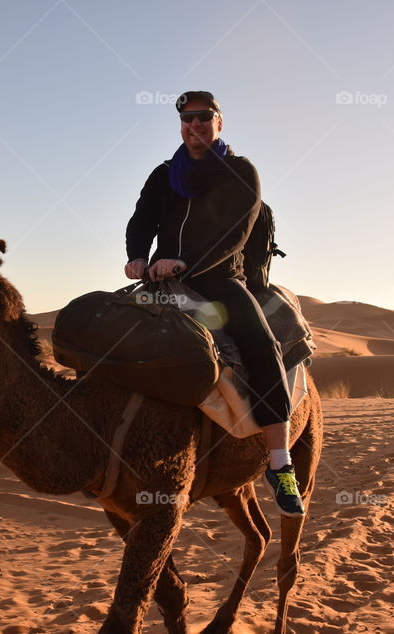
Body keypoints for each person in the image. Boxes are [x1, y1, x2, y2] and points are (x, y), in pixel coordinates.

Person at [124, 90, 305, 518]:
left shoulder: (240, 171)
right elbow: (142, 219)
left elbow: (235, 234)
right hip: (163, 280)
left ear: (219, 123)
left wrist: (187, 262)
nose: (195, 125)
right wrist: (135, 254)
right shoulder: (164, 174)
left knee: (261, 344)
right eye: (187, 118)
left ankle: (280, 463)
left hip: (221, 282)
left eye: (204, 117)